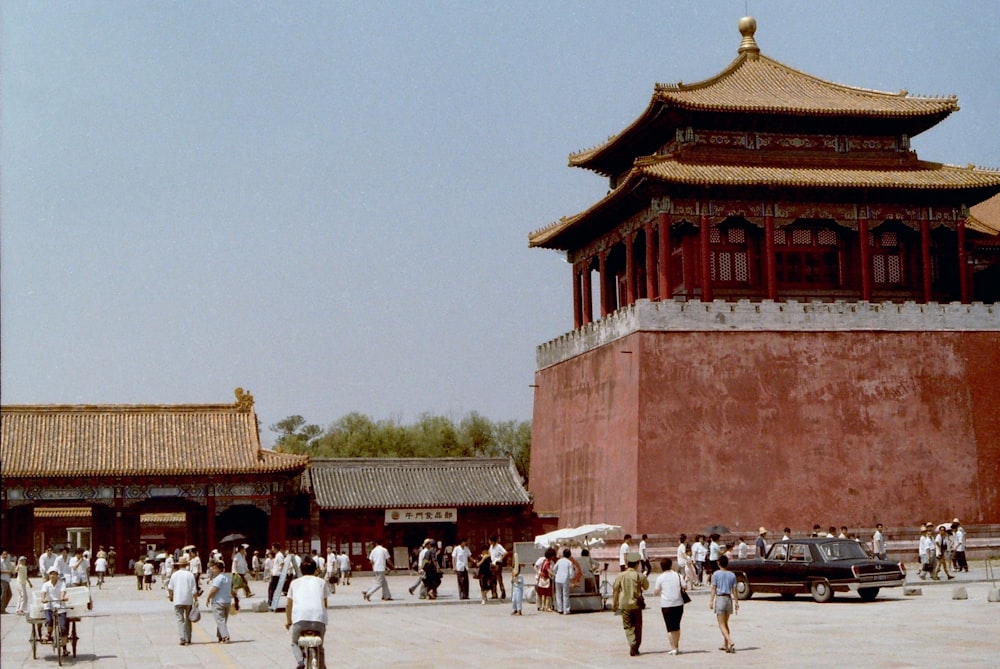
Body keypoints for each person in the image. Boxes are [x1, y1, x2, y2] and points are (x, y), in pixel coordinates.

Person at [285, 558, 331, 669]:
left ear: (300, 570)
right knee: (320, 646)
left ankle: (300, 662)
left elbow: (288, 605)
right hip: (319, 620)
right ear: (315, 570)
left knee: (295, 643)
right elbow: (325, 604)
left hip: (300, 620)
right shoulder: (322, 582)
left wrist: (288, 621)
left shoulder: (294, 583)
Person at [612, 552, 648, 657]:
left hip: (624, 605)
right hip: (636, 604)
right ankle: (636, 647)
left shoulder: (620, 575)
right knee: (638, 626)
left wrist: (614, 604)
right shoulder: (639, 575)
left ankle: (632, 643)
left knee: (628, 626)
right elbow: (646, 587)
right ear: (637, 564)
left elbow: (616, 591)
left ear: (627, 563)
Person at [653, 557, 686, 655]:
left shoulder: (660, 577)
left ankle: (673, 647)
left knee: (669, 627)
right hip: (678, 603)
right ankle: (676, 646)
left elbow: (656, 591)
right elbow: (685, 586)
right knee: (676, 626)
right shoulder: (678, 575)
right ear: (671, 565)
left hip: (666, 604)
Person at [710, 555, 738, 653]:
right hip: (729, 599)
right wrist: (737, 602)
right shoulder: (732, 575)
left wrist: (711, 600)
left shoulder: (716, 574)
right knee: (725, 623)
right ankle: (725, 645)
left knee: (721, 624)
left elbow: (714, 588)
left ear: (719, 563)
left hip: (720, 598)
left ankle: (730, 641)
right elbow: (735, 590)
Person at [167, 556, 197, 646]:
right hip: (188, 600)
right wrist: (196, 599)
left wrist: (171, 596)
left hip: (178, 599)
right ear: (186, 565)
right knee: (188, 620)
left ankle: (182, 638)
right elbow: (194, 589)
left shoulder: (174, 575)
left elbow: (170, 587)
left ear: (179, 565)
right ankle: (188, 638)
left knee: (180, 619)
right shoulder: (190, 574)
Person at [40, 567, 69, 650]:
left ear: (57, 575)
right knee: (49, 620)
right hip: (49, 605)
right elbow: (43, 593)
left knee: (63, 627)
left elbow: (63, 591)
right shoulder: (46, 584)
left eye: (54, 574)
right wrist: (43, 599)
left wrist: (63, 597)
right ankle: (49, 633)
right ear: (49, 575)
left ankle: (64, 648)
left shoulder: (62, 583)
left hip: (60, 605)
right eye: (51, 574)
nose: (53, 576)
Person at [205, 561, 232, 643]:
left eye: (214, 568)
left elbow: (214, 590)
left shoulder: (218, 578)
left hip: (218, 601)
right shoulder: (228, 577)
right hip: (227, 601)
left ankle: (225, 636)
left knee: (220, 620)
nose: (213, 570)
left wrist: (208, 598)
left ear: (219, 569)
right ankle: (220, 636)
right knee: (222, 620)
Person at [553, 547, 577, 615]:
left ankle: (559, 609)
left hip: (557, 579)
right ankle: (566, 610)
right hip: (565, 580)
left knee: (558, 594)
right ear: (569, 555)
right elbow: (571, 573)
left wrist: (557, 573)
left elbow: (554, 568)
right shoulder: (569, 562)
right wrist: (572, 580)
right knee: (565, 595)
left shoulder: (559, 561)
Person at [488, 535, 507, 600]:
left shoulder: (498, 546)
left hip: (498, 563)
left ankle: (503, 592)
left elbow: (505, 553)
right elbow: (489, 553)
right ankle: (494, 593)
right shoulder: (491, 547)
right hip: (492, 564)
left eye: (490, 540)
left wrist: (501, 559)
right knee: (493, 579)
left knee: (499, 578)